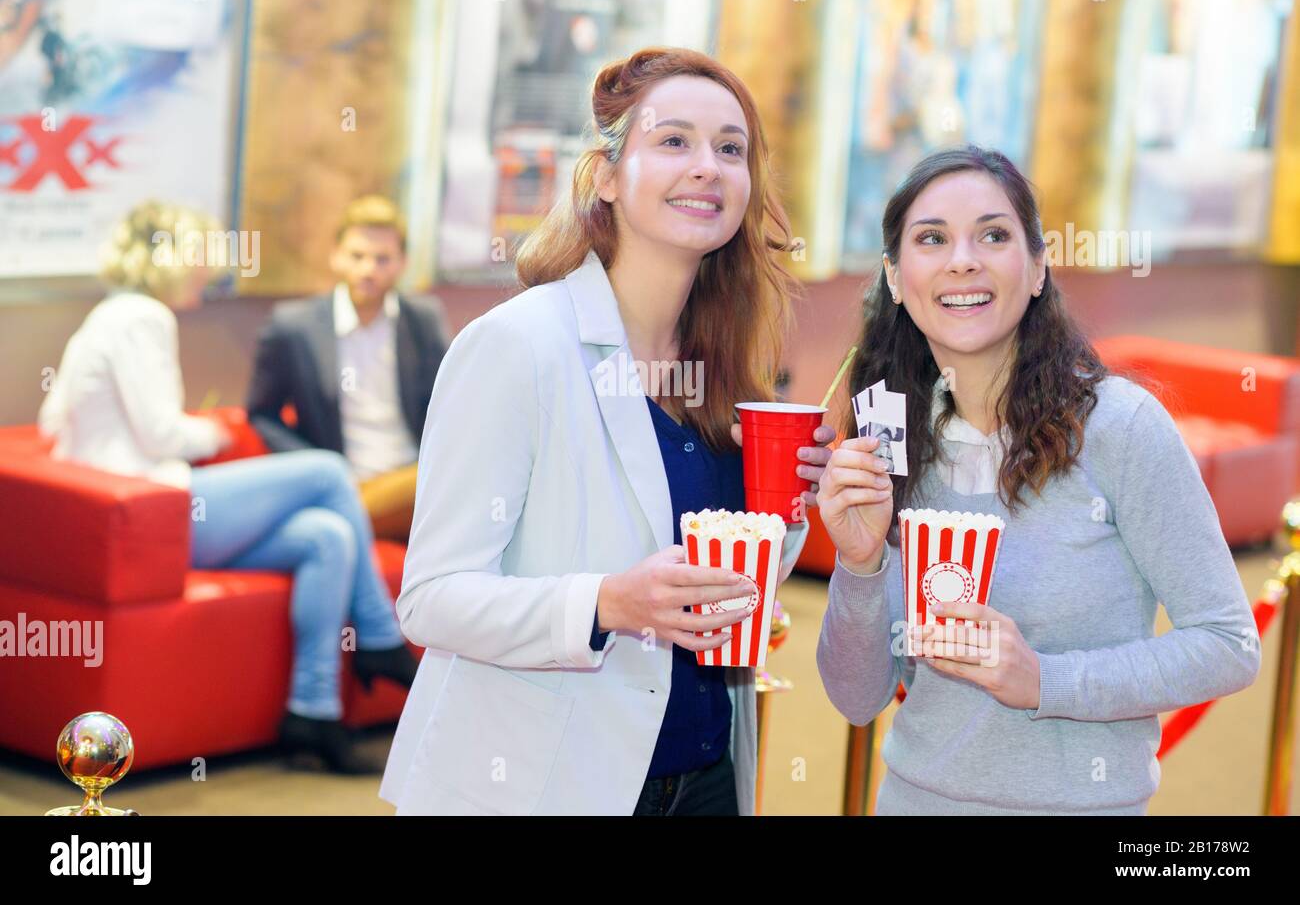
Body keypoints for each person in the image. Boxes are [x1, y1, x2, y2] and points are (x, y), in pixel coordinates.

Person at [380, 47, 835, 815]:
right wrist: (607, 604)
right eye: (673, 141)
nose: (707, 167)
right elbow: (430, 598)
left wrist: (796, 502)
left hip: (708, 771)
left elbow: (736, 578)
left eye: (731, 149)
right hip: (543, 780)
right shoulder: (517, 347)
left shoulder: (726, 367)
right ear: (604, 176)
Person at [815, 146, 1261, 814]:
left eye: (993, 235)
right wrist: (859, 563)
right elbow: (857, 697)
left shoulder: (1119, 429)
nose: (963, 259)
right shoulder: (892, 437)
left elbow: (1228, 646)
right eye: (932, 239)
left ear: (1038, 268)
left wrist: (1044, 681)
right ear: (897, 279)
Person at [37, 201, 419, 774]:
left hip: (138, 512)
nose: (206, 269)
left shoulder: (108, 315)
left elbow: (51, 422)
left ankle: (311, 711)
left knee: (328, 535)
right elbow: (162, 432)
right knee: (327, 472)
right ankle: (382, 634)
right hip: (156, 512)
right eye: (197, 256)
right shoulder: (145, 317)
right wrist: (211, 432)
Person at [246, 195, 448, 541]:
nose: (368, 269)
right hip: (347, 480)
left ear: (402, 263)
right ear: (336, 256)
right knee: (445, 489)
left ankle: (343, 524)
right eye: (357, 256)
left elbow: (451, 404)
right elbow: (262, 414)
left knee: (447, 476)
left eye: (383, 259)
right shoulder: (295, 327)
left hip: (412, 477)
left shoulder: (422, 322)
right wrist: (321, 469)